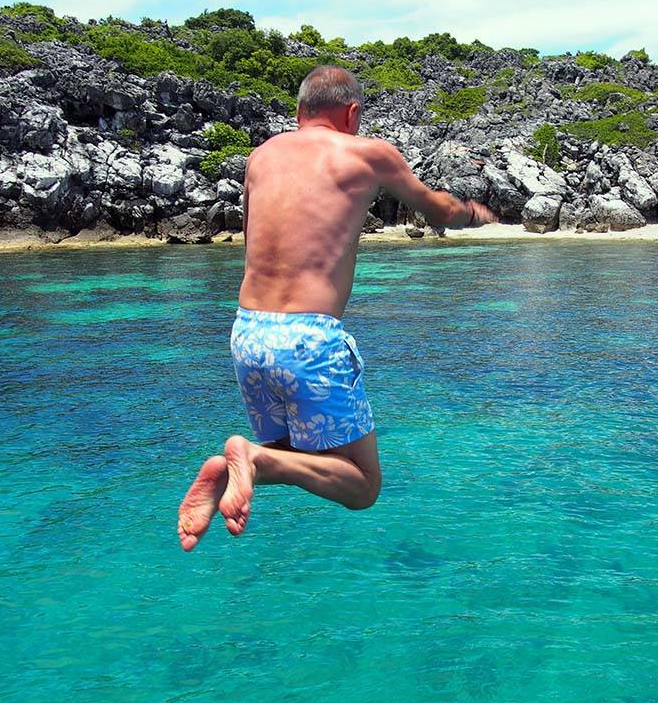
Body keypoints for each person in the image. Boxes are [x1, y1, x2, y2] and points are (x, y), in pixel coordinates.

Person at [177, 66, 497, 550]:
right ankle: (251, 459)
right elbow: (436, 210)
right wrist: (473, 213)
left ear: (299, 111)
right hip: (308, 339)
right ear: (351, 114)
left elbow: (250, 239)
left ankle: (231, 471)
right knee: (363, 485)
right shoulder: (367, 154)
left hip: (247, 332)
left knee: (296, 454)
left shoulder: (262, 156)